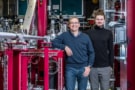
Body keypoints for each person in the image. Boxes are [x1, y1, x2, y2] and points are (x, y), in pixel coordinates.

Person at [52, 17, 95, 90]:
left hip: (83, 68)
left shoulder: (85, 37)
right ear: (68, 25)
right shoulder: (64, 35)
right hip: (70, 68)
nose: (74, 25)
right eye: (72, 23)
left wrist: (89, 67)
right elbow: (53, 43)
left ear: (79, 25)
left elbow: (91, 52)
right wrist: (64, 47)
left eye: (76, 23)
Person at [86, 9, 114, 90]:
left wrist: (110, 66)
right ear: (94, 20)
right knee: (94, 88)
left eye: (101, 19)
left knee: (105, 88)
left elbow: (111, 50)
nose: (99, 21)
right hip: (92, 67)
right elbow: (86, 50)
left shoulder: (108, 33)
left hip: (105, 67)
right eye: (97, 19)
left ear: (104, 20)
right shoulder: (88, 33)